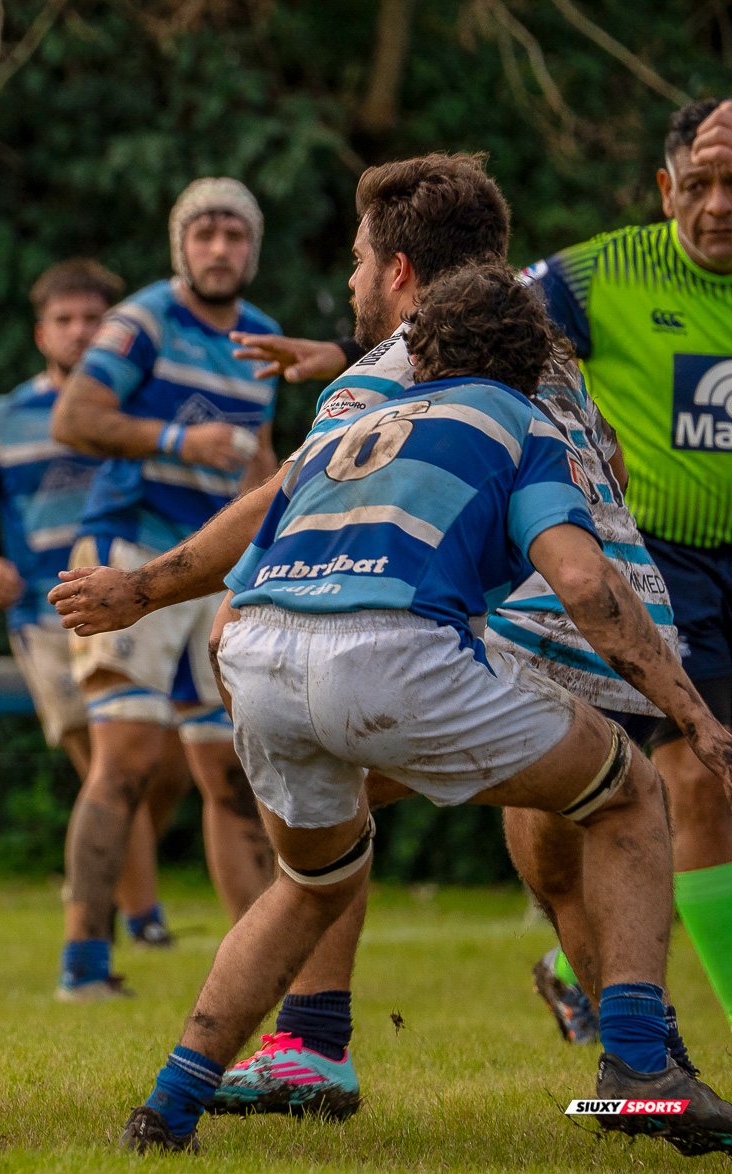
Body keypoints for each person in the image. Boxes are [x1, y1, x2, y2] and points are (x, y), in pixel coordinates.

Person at [56, 153, 694, 1115]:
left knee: (326, 815)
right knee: (573, 856)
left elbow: (292, 493)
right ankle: (641, 1059)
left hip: (502, 631)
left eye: (359, 260)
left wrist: (150, 590)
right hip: (618, 629)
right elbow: (607, 473)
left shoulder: (406, 361)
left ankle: (311, 1048)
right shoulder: (537, 346)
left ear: (399, 272)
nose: (352, 278)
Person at [45, 178, 279, 999]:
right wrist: (180, 438)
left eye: (234, 234)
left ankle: (262, 965)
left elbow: (257, 458)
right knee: (128, 758)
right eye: (204, 232)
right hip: (126, 549)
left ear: (253, 249)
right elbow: (73, 417)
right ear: (181, 245)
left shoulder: (264, 337)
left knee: (230, 772)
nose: (219, 248)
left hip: (209, 567)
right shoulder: (144, 318)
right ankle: (83, 960)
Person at [526, 97, 732, 1029]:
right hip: (663, 568)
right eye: (699, 184)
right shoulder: (600, 273)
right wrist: (343, 350)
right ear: (665, 188)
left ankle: (582, 969)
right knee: (699, 782)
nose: (718, 205)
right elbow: (471, 323)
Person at [0, 259, 197, 952]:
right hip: (47, 612)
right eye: (65, 320)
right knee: (109, 766)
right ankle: (139, 920)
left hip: (139, 606)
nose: (80, 332)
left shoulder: (141, 410)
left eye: (94, 320)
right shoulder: (3, 419)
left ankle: (101, 881)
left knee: (167, 766)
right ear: (40, 334)